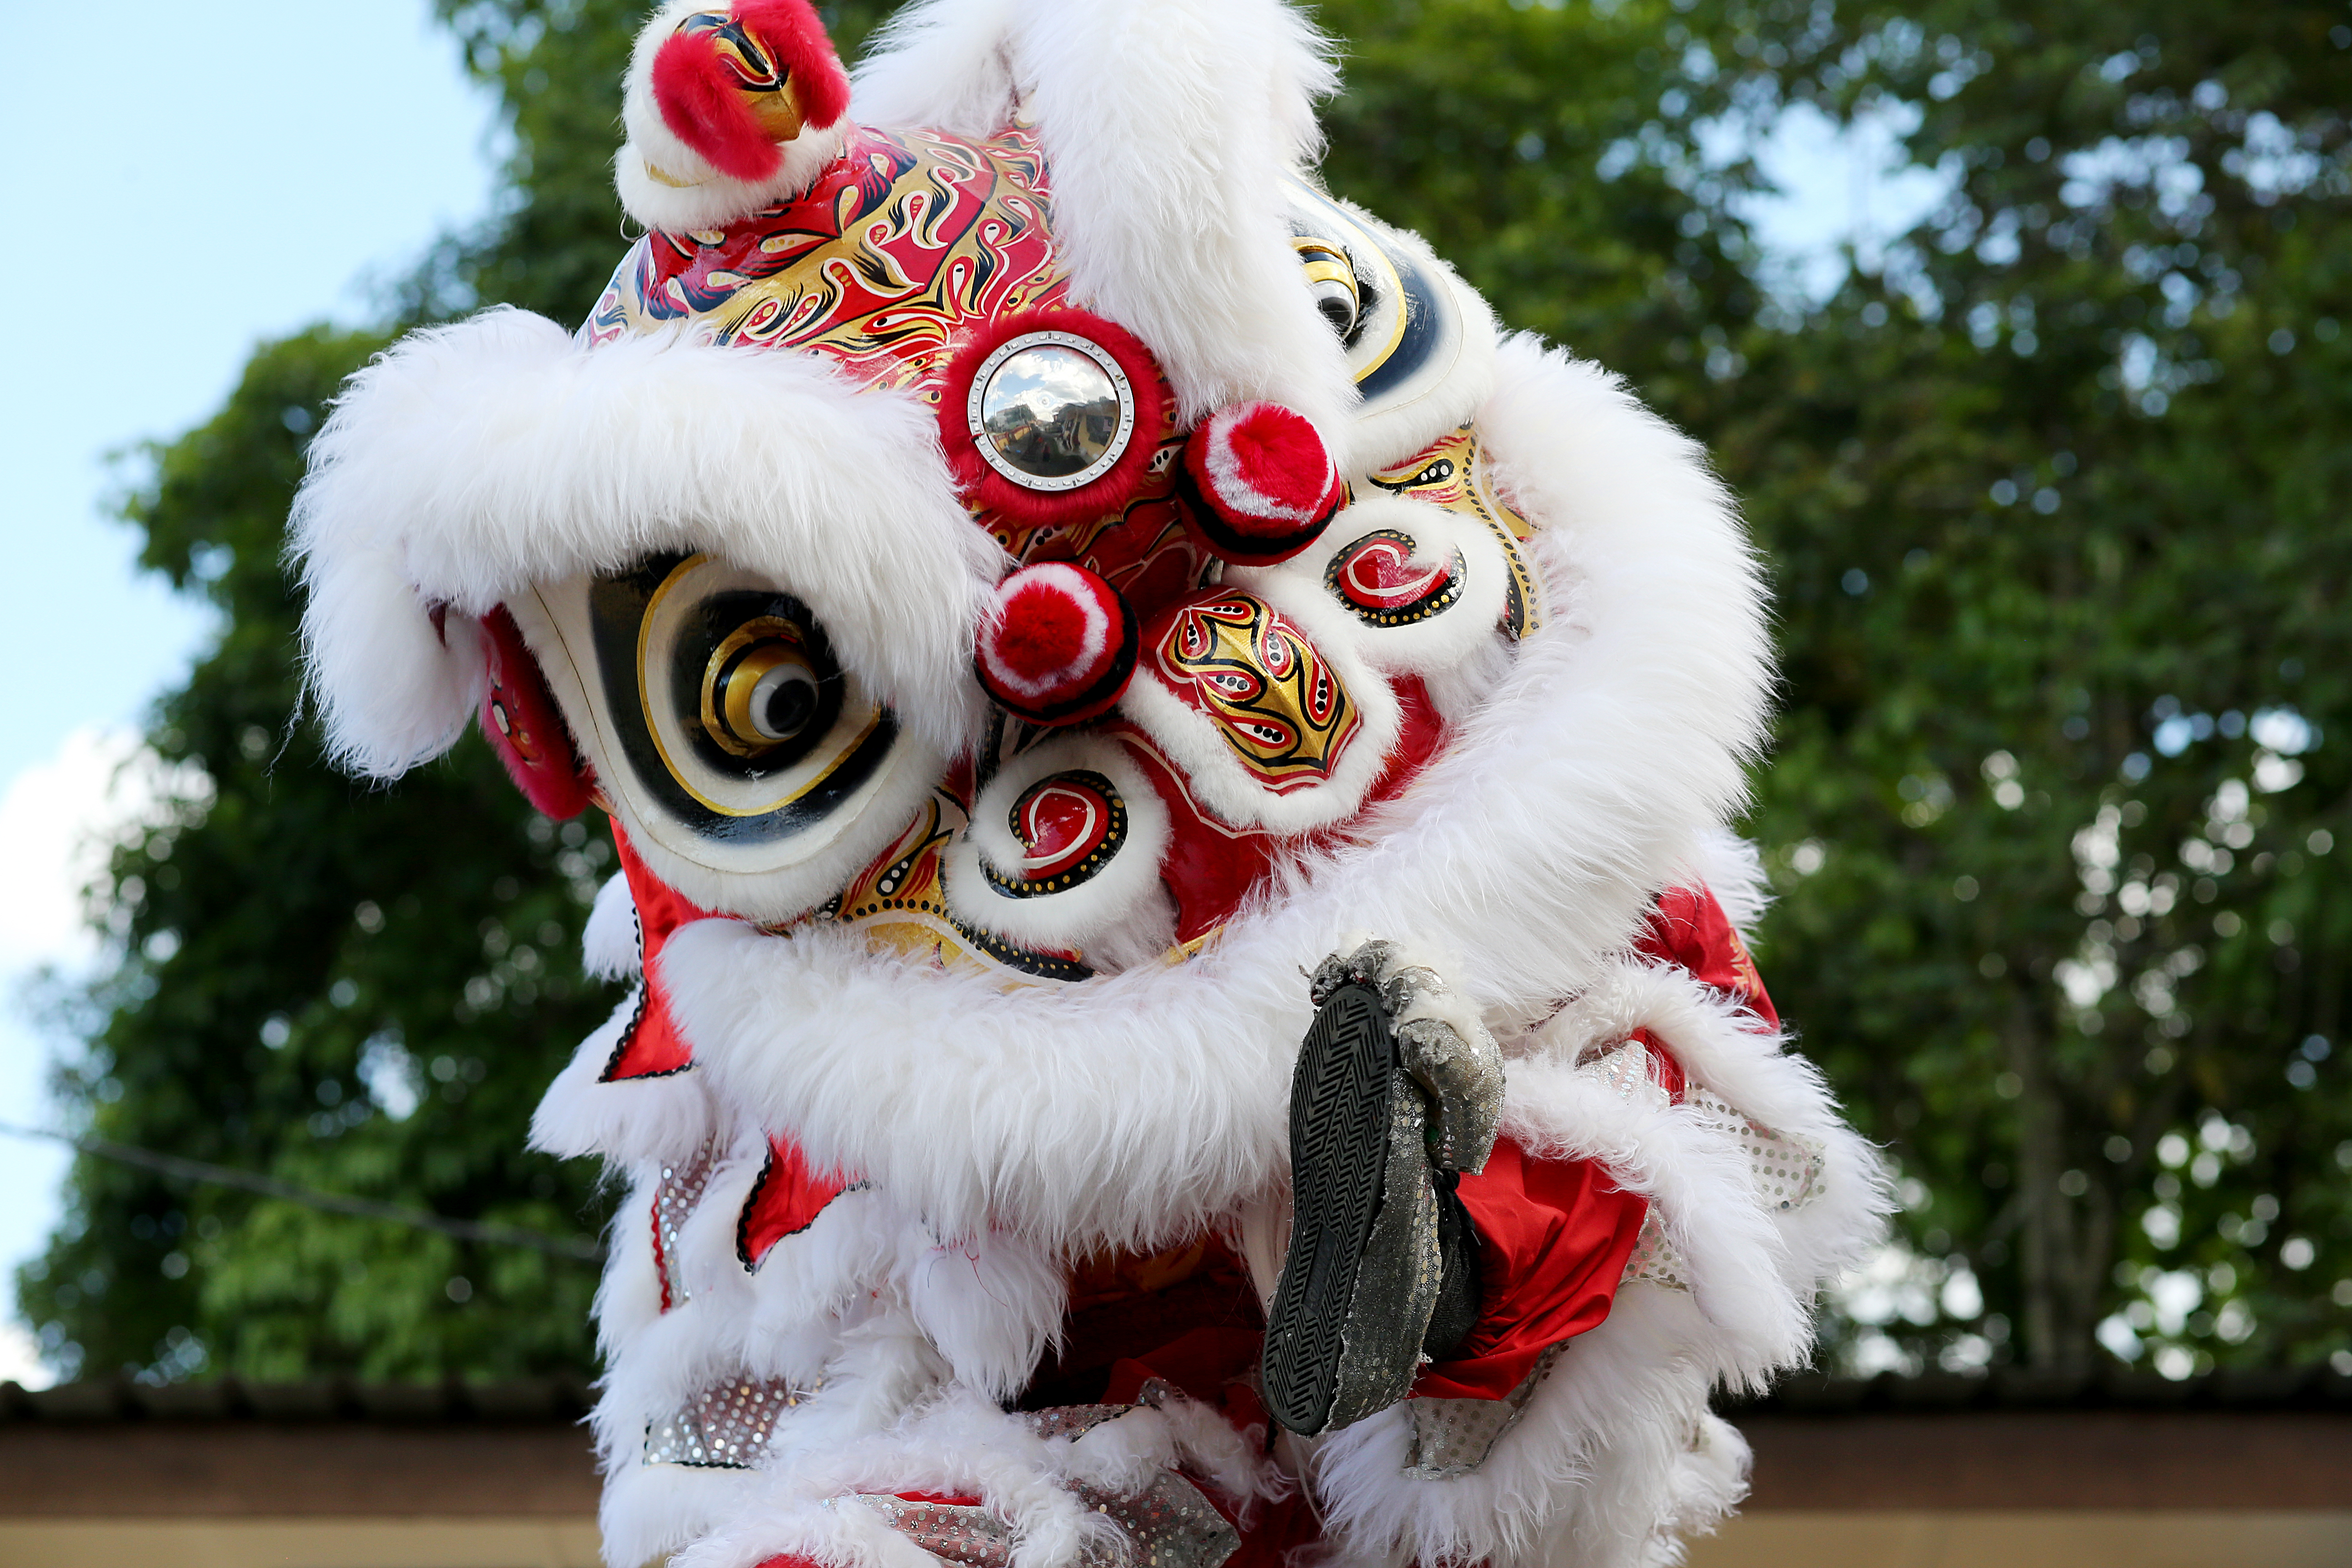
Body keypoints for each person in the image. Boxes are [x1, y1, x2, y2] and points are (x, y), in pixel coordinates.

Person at [292, 4, 1886, 1565]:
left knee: (1581, 1070)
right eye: (768, 681)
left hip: (1403, 1048)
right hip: (1006, 1410)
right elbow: (750, 1370)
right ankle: (1417, 1283)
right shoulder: (752, 944)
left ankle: (1446, 1279)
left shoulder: (1433, 639)